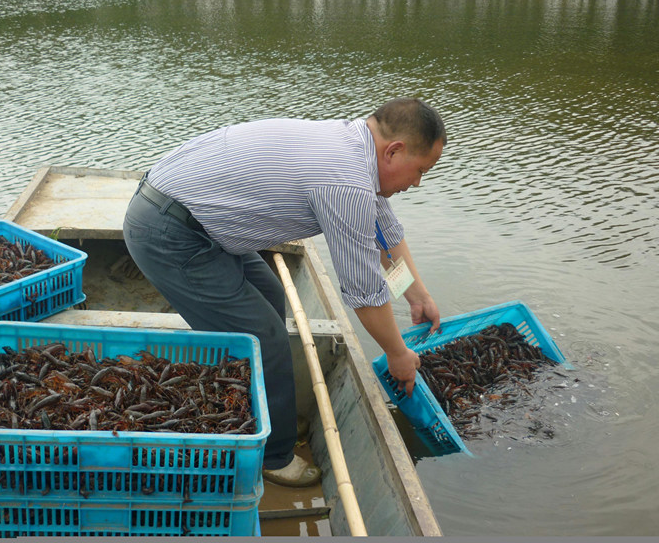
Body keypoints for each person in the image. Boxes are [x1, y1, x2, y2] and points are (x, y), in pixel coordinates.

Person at [123, 97, 445, 487]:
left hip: (199, 220)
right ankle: (273, 457)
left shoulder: (354, 148)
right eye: (420, 171)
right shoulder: (345, 181)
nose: (416, 183)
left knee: (272, 299)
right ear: (394, 151)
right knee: (265, 338)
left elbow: (385, 237)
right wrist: (398, 356)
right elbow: (364, 293)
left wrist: (417, 295)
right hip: (171, 232)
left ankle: (264, 411)